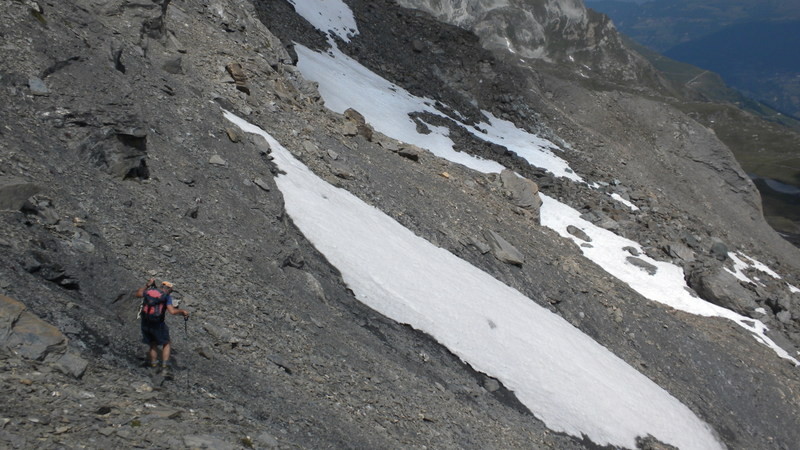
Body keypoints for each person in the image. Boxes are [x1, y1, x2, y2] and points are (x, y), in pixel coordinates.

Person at [135, 278, 189, 376]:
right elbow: (172, 311)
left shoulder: (149, 291)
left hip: (145, 322)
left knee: (152, 343)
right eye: (171, 290)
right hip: (157, 323)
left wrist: (147, 285)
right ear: (168, 289)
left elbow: (138, 293)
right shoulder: (166, 297)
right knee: (166, 343)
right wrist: (182, 312)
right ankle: (164, 368)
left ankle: (154, 366)